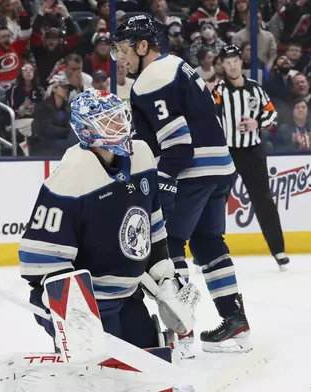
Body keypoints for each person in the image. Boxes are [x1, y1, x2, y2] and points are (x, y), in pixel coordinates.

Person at [110, 15, 252, 356]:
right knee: (208, 245)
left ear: (143, 46)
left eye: (124, 49)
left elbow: (177, 145)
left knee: (168, 246)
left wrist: (159, 185)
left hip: (192, 171)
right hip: (220, 166)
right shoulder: (178, 65)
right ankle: (236, 323)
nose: (120, 57)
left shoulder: (150, 80)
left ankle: (181, 334)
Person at [19, 89, 195, 355]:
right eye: (108, 121)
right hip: (91, 303)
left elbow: (153, 228)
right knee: (99, 374)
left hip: (129, 295)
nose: (119, 125)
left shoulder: (142, 157)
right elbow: (40, 259)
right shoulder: (71, 176)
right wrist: (72, 310)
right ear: (87, 130)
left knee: (151, 363)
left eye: (119, 117)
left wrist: (165, 279)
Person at [213, 44, 290, 269]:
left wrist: (257, 122)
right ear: (223, 65)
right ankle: (206, 252)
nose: (232, 65)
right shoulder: (219, 90)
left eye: (235, 60)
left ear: (241, 62)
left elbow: (271, 112)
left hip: (253, 151)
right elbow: (210, 116)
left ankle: (278, 250)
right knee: (217, 202)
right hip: (227, 153)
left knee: (263, 201)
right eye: (227, 62)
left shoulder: (255, 89)